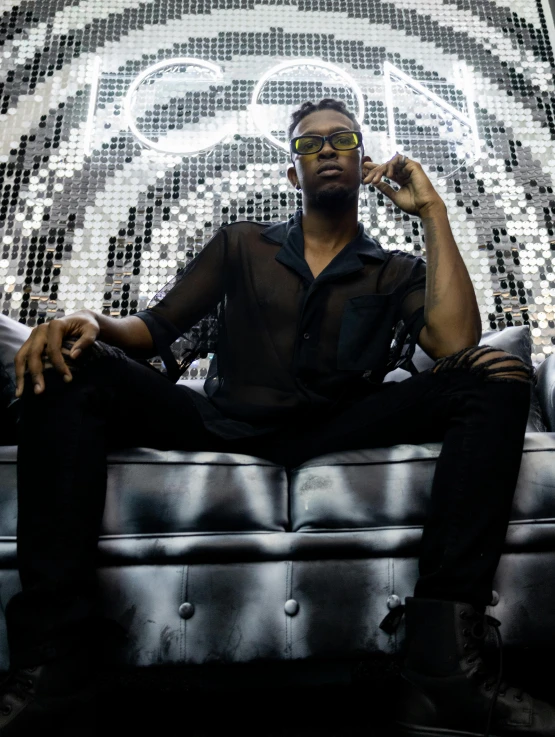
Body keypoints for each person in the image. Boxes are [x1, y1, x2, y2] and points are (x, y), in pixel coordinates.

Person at [2, 96, 554, 736]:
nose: (325, 149)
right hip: (223, 423)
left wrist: (432, 210)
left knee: (496, 374)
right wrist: (89, 322)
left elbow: (455, 345)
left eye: (341, 139)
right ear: (293, 174)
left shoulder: (395, 270)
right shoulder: (242, 243)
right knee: (71, 360)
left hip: (340, 428)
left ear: (361, 161)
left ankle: (443, 671)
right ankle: (54, 671)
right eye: (308, 143)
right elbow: (154, 329)